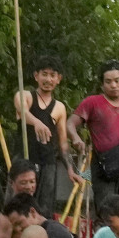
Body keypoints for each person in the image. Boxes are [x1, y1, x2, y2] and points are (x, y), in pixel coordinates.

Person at [74, 61, 119, 216]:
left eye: (117, 81)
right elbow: (70, 124)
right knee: (106, 210)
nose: (113, 85)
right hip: (101, 166)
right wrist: (76, 138)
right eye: (108, 82)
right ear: (102, 85)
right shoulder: (92, 102)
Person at [15, 60, 73, 215]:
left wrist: (71, 170)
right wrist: (37, 123)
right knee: (20, 207)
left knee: (44, 210)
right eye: (44, 74)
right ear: (36, 76)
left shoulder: (60, 107)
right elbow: (22, 112)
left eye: (52, 75)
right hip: (25, 161)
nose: (48, 79)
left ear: (58, 78)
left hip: (48, 164)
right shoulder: (24, 96)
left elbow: (63, 143)